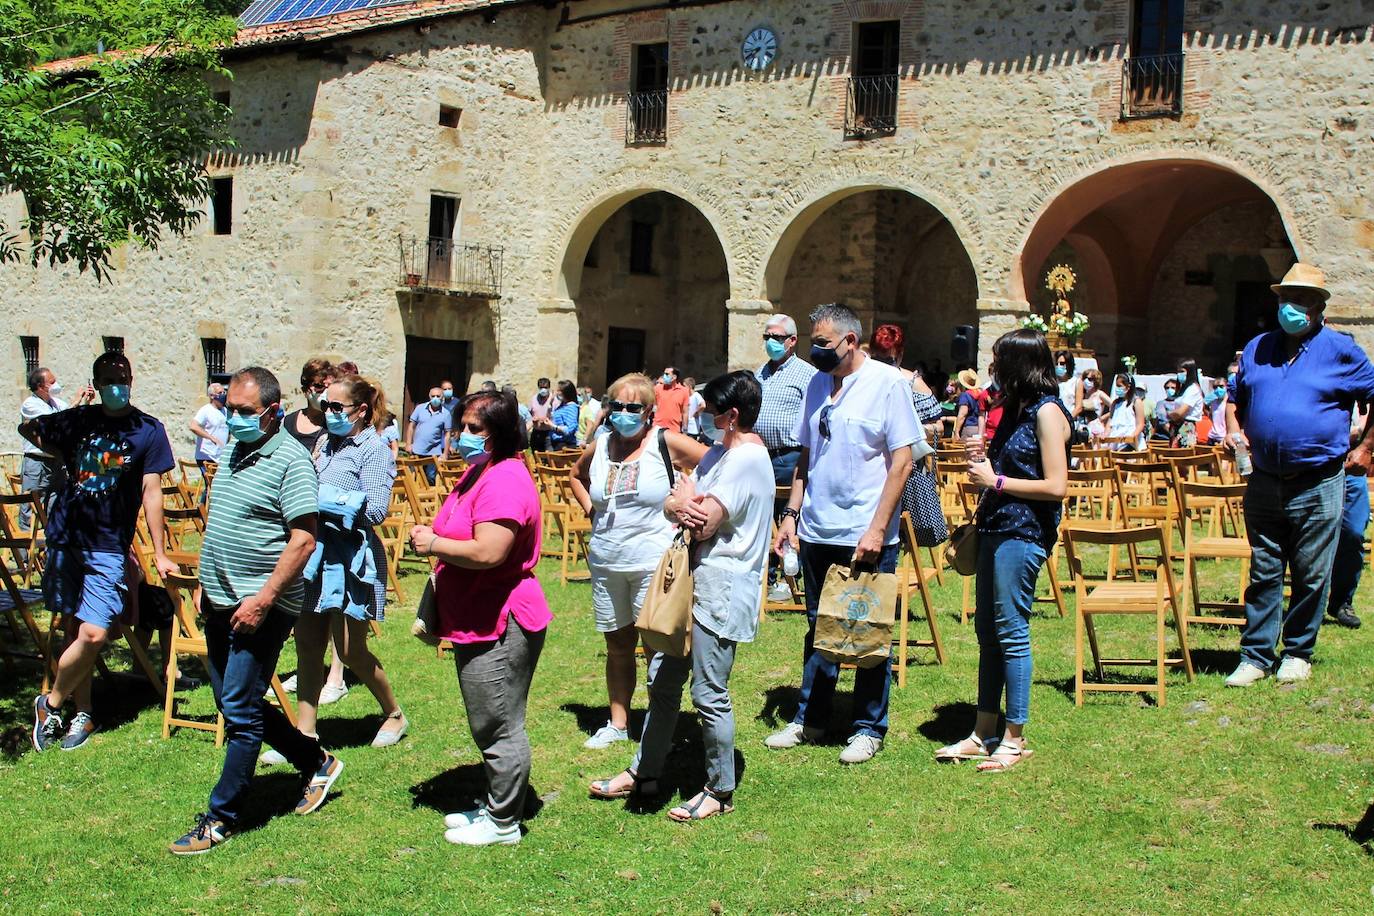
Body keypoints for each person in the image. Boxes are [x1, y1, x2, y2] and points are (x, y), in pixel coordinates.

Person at [169, 367, 341, 855]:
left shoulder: (290, 460)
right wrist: (206, 581)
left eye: (245, 412)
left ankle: (221, 816)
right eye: (231, 410)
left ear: (271, 411)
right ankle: (317, 762)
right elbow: (220, 520)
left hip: (262, 604)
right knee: (232, 701)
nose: (235, 418)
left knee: (240, 712)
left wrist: (264, 599)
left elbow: (304, 539)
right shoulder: (233, 449)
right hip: (221, 597)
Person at [590, 371, 773, 820]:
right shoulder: (717, 454)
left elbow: (703, 521)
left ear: (731, 415)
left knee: (709, 692)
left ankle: (719, 789)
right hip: (691, 584)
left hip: (721, 588)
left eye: (710, 410)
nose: (702, 416)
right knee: (663, 681)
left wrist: (685, 501)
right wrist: (679, 502)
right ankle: (645, 771)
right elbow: (677, 503)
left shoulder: (747, 459)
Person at [765, 304, 919, 765]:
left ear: (851, 342)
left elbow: (902, 462)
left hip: (863, 532)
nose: (816, 351)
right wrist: (791, 515)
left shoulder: (888, 385)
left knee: (865, 628)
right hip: (816, 526)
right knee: (819, 626)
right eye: (813, 343)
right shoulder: (816, 384)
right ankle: (811, 718)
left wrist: (876, 529)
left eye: (824, 344)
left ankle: (869, 727)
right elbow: (806, 456)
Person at [410, 390, 550, 846]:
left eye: (475, 429)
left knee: (499, 723)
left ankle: (504, 823)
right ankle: (496, 802)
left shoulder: (504, 479)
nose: (463, 436)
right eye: (462, 426)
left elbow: (490, 551)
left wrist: (433, 544)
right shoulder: (481, 471)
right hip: (477, 611)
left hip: (503, 618)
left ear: (502, 434)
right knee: (488, 718)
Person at [1225, 264, 1374, 686]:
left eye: (1302, 298)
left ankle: (1297, 652)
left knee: (1311, 571)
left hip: (1318, 479)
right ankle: (1255, 656)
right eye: (1286, 297)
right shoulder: (1258, 348)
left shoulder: (1342, 352)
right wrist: (1235, 431)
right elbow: (1236, 397)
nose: (1291, 306)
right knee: (1264, 569)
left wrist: (1364, 449)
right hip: (1265, 478)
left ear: (1319, 306)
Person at [24, 352, 177, 753]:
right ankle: (84, 712)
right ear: (96, 381)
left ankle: (51, 702)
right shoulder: (79, 419)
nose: (116, 384)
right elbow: (29, 428)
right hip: (68, 537)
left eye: (122, 377)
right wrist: (64, 455)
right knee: (75, 628)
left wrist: (160, 551)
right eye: (108, 378)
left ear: (131, 379)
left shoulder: (148, 430)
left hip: (109, 545)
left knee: (95, 631)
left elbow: (151, 491)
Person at [936, 329, 1070, 771]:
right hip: (995, 526)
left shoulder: (1048, 413)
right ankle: (982, 731)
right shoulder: (1014, 409)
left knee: (1012, 633)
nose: (992, 369)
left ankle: (1014, 737)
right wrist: (981, 458)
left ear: (1019, 365)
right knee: (987, 635)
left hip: (1024, 532)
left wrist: (996, 481)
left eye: (998, 360)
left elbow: (1056, 486)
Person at [570, 373, 707, 750]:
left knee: (657, 647)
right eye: (617, 406)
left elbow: (715, 463)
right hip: (607, 561)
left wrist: (690, 497)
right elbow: (576, 475)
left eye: (634, 408)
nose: (625, 413)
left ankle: (659, 721)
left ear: (649, 411)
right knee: (617, 645)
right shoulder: (599, 447)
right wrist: (589, 509)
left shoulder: (664, 442)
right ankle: (618, 722)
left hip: (653, 561)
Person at [290, 375, 407, 753]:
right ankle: (304, 735)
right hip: (316, 555)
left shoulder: (373, 449)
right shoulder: (325, 441)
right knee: (307, 646)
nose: (329, 413)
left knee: (351, 650)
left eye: (337, 407)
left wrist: (321, 499)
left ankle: (393, 714)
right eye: (326, 406)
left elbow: (374, 509)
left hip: (353, 559)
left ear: (360, 410)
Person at [755, 314, 818, 600]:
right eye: (767, 337)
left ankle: (789, 578)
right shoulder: (760, 373)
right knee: (762, 517)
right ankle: (764, 577)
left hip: (790, 455)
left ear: (792, 341)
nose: (771, 342)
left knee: (789, 515)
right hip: (760, 455)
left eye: (777, 338)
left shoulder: (807, 374)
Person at [18, 367, 91, 531]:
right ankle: (23, 555)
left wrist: (85, 402)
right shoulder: (30, 405)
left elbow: (71, 419)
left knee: (54, 506)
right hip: (37, 462)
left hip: (56, 462)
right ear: (40, 386)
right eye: (51, 382)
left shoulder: (57, 403)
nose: (55, 384)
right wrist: (76, 401)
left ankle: (49, 552)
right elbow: (53, 422)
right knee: (30, 507)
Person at [1327, 400, 1368, 630]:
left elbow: (1363, 424)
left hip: (1351, 466)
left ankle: (1342, 601)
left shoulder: (1357, 376)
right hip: (1318, 466)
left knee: (1353, 532)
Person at [283, 358, 335, 456]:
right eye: (319, 386)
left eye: (330, 387)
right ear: (305, 390)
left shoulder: (336, 424)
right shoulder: (287, 422)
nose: (326, 393)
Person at [189, 383, 229, 501]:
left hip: (220, 455)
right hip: (206, 454)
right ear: (212, 396)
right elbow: (193, 426)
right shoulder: (206, 410)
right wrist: (210, 437)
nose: (223, 395)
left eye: (224, 392)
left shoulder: (225, 411)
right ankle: (203, 513)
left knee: (218, 486)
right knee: (211, 485)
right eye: (220, 393)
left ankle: (205, 511)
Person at [406, 386, 452, 483]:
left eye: (438, 396)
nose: (435, 398)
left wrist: (445, 453)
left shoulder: (446, 414)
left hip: (433, 452)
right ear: (429, 396)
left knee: (430, 478)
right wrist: (408, 443)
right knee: (412, 477)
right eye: (433, 396)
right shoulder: (420, 408)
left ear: (442, 397)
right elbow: (411, 426)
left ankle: (429, 498)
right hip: (417, 449)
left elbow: (447, 434)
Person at [1103, 372, 1146, 451]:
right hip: (1115, 440)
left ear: (1128, 387)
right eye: (1116, 386)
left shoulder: (1136, 402)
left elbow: (1140, 424)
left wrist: (1132, 436)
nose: (1117, 388)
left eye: (1120, 386)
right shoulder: (1115, 403)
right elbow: (1110, 422)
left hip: (1131, 441)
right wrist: (1105, 434)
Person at [1168, 359, 1206, 447]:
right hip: (1177, 426)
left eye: (1182, 371)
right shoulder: (1184, 389)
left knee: (1183, 456)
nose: (1179, 374)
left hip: (1186, 427)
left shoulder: (1193, 389)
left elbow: (1181, 412)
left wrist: (1169, 414)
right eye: (1178, 371)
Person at [652, 367, 691, 433]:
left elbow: (685, 412)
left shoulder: (684, 391)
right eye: (664, 374)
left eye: (667, 374)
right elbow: (652, 406)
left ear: (674, 377)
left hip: (674, 430)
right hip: (657, 428)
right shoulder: (657, 389)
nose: (664, 376)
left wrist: (685, 430)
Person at [548, 380, 581, 450]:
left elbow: (569, 429)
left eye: (559, 391)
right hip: (555, 442)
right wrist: (550, 403)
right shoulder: (561, 406)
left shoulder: (572, 407)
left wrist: (553, 426)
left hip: (565, 444)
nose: (557, 393)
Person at [528, 377, 557, 451]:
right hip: (536, 432)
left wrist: (548, 420)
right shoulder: (534, 398)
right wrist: (534, 420)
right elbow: (530, 414)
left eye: (545, 387)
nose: (543, 390)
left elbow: (556, 415)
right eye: (541, 387)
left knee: (549, 456)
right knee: (536, 456)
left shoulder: (554, 400)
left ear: (549, 388)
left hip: (548, 433)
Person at [953, 369, 984, 438]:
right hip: (981, 428)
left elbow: (962, 414)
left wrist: (956, 431)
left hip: (969, 427)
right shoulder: (982, 394)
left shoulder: (965, 395)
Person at [1152, 377, 1180, 442]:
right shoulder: (1160, 403)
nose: (1169, 390)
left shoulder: (1181, 403)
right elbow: (1163, 422)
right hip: (1163, 437)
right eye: (1167, 388)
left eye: (1173, 388)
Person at [1054, 350, 1080, 414]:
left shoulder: (1076, 382)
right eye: (1057, 364)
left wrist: (1068, 420)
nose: (1059, 366)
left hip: (1070, 418)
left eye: (1062, 363)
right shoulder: (1053, 381)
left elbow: (1078, 407)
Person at [684, 377, 705, 441]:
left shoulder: (696, 395)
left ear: (689, 386)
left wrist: (697, 412)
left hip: (693, 428)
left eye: (684, 386)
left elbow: (703, 405)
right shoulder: (686, 397)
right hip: (686, 427)